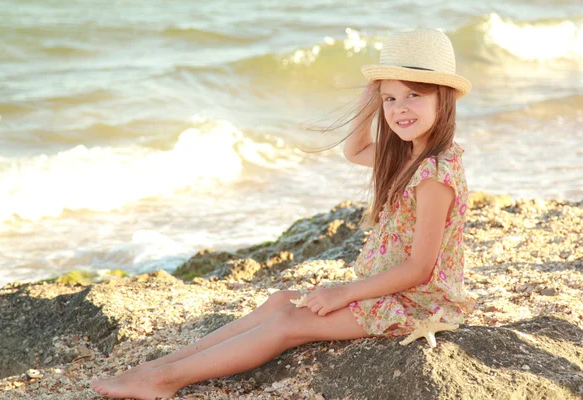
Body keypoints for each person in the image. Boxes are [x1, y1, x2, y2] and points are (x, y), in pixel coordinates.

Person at [91, 27, 477, 400]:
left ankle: (164, 379)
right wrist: (371, 100)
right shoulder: (407, 155)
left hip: (414, 304)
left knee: (290, 322)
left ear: (444, 99)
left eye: (414, 95)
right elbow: (354, 150)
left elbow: (419, 269)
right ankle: (158, 366)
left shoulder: (434, 175)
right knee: (280, 302)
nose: (400, 109)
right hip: (388, 291)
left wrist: (343, 292)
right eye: (390, 99)